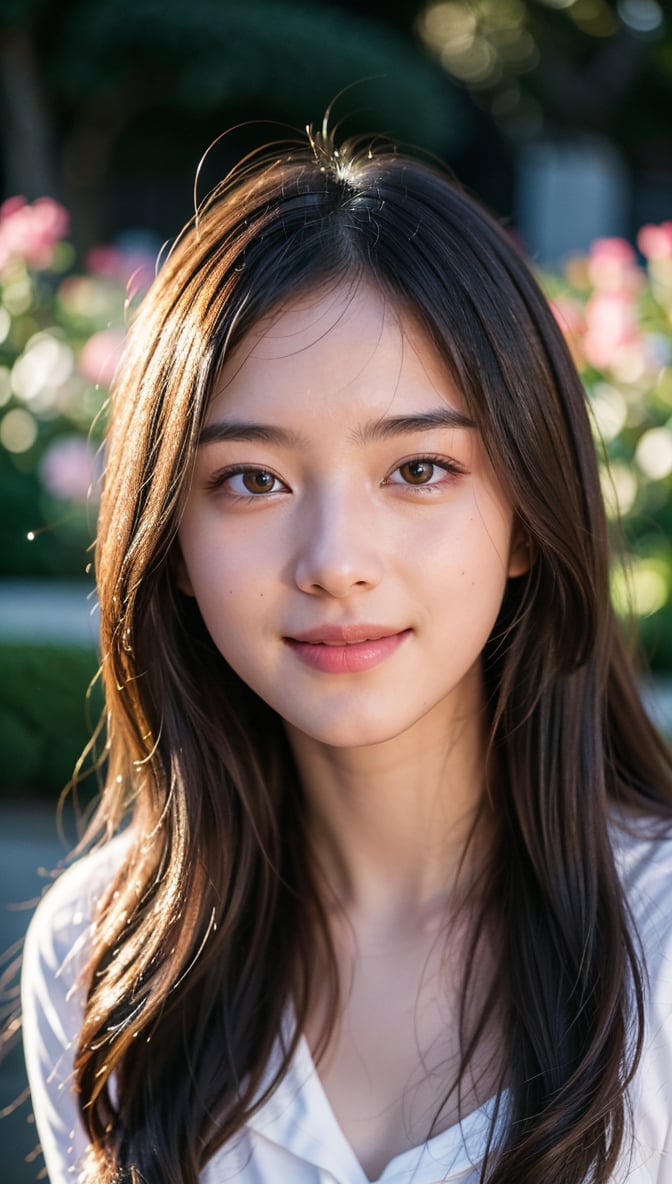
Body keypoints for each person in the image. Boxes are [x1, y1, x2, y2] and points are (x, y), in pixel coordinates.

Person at [19, 128, 672, 1184]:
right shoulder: (105, 953)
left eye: (417, 467)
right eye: (251, 480)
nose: (334, 562)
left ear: (525, 514)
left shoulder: (661, 942)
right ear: (171, 539)